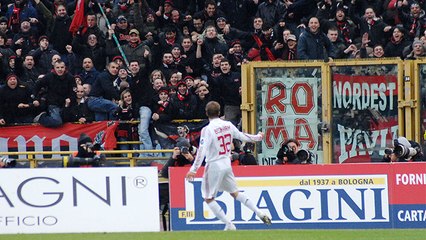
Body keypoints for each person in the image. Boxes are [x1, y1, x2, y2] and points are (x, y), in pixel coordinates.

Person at [185, 101, 271, 230]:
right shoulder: (228, 125)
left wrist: (193, 169)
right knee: (235, 192)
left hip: (214, 164)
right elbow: (242, 136)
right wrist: (258, 137)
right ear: (220, 113)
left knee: (208, 198)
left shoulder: (207, 129)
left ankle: (229, 224)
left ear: (206, 113)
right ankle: (260, 212)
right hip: (226, 162)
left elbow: (202, 150)